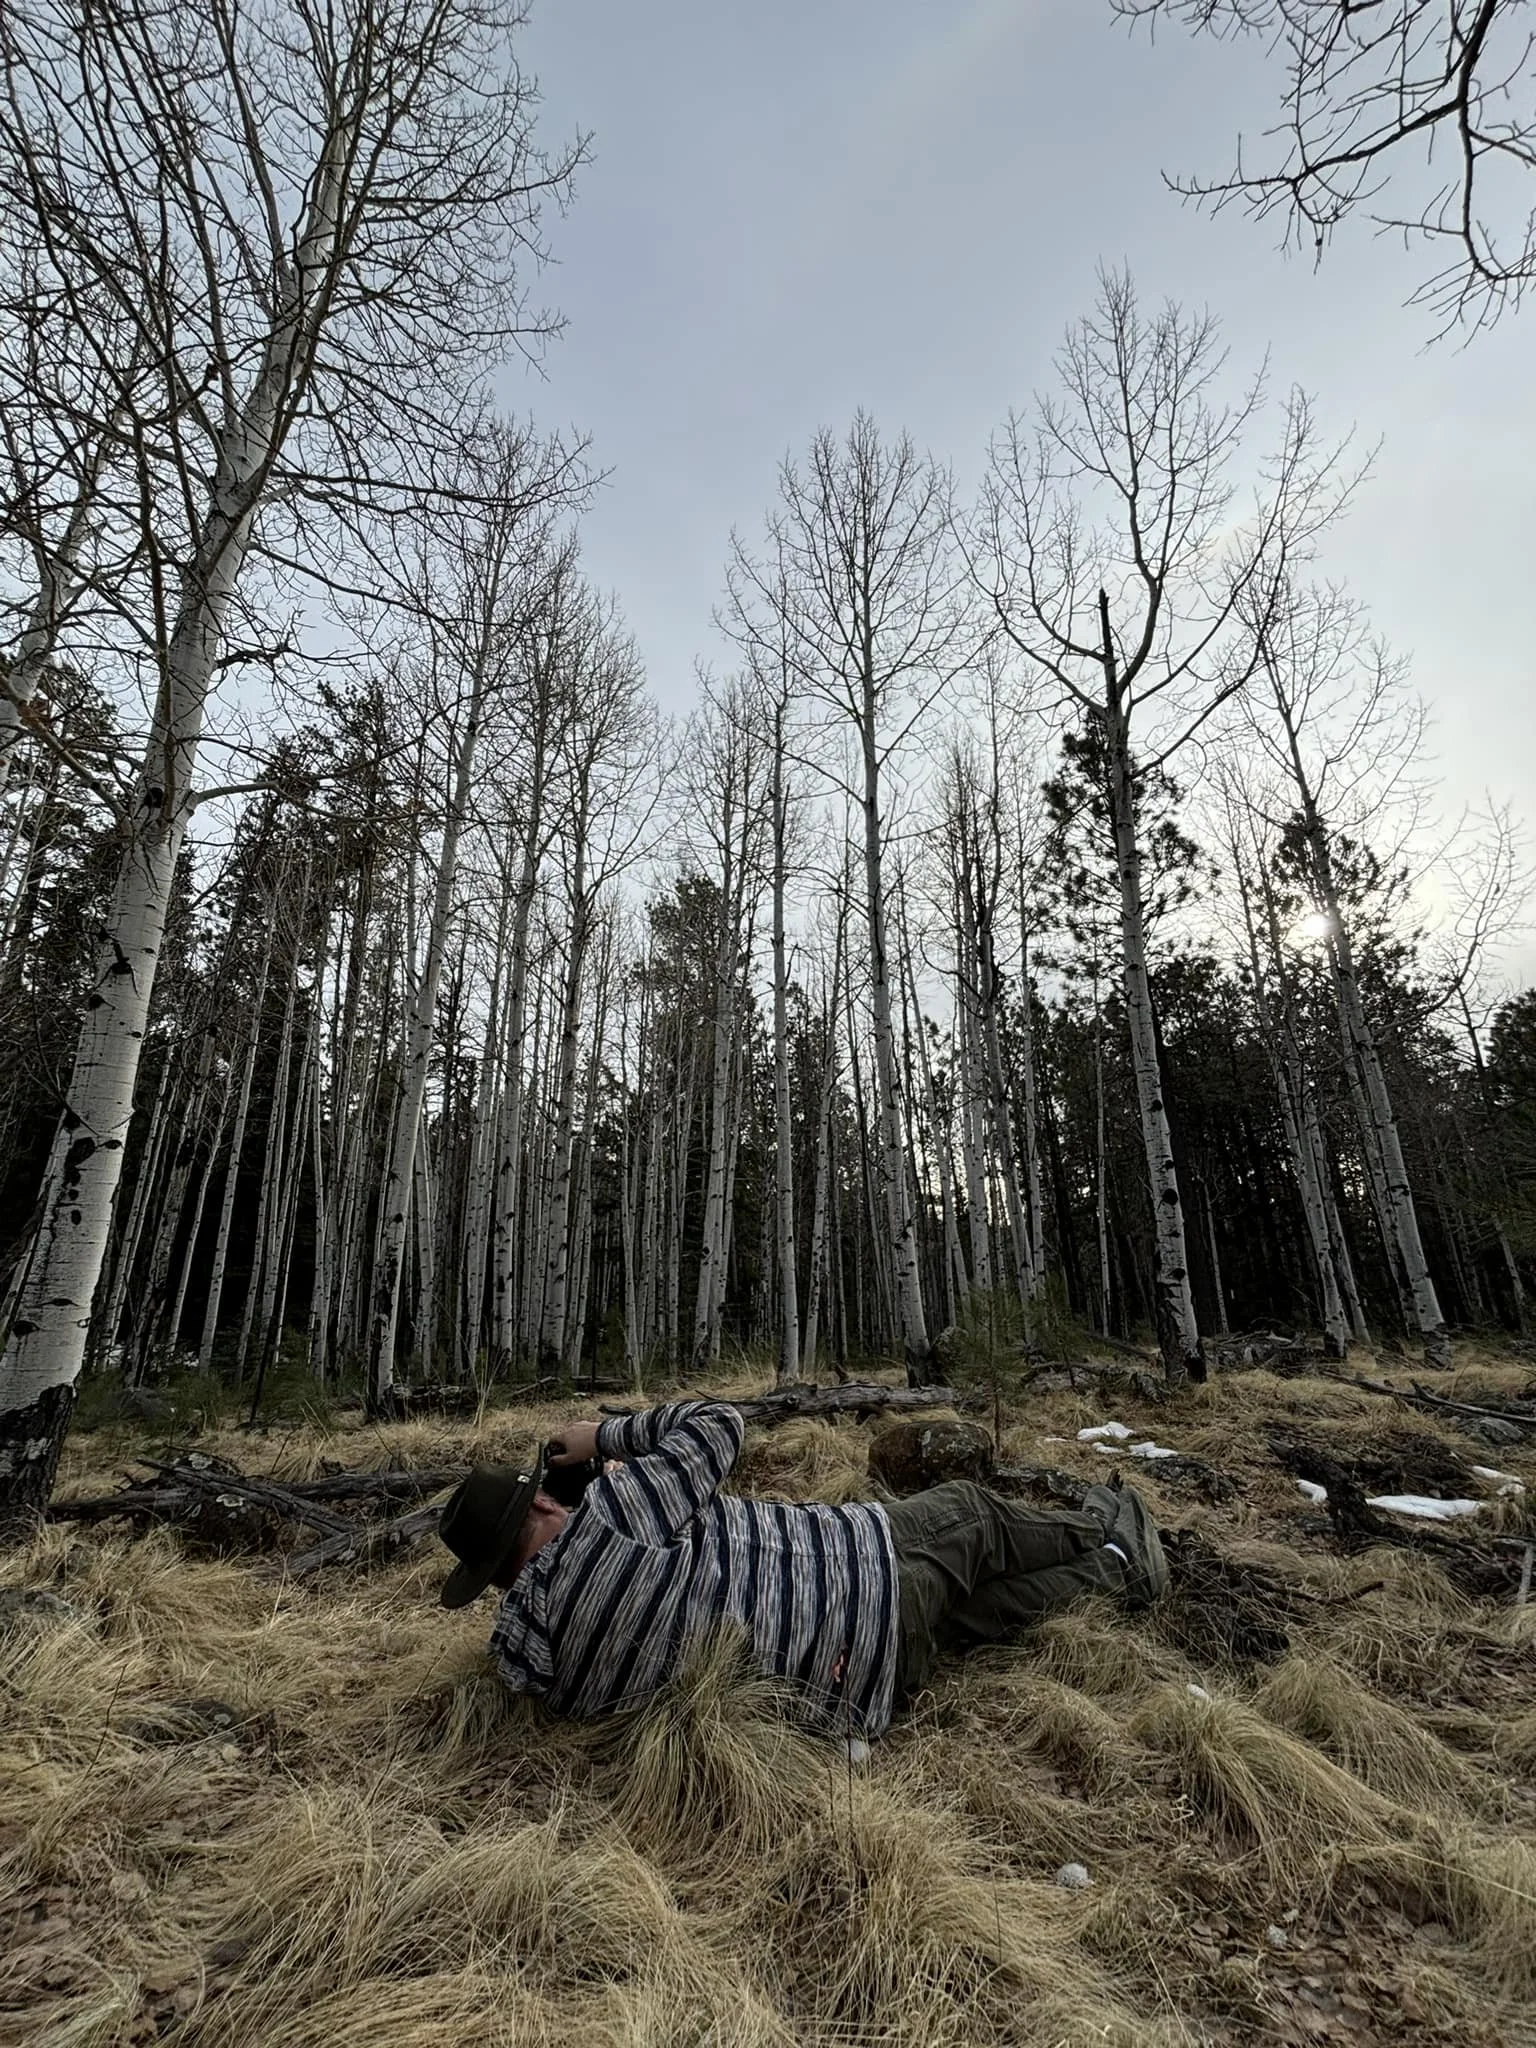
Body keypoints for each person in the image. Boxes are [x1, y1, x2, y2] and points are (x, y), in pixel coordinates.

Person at [437, 1398, 1167, 1739]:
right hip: (864, 1571)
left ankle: (1116, 1572)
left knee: (988, 1610)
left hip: (862, 1682)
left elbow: (657, 1587)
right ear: (538, 1503)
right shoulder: (619, 1514)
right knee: (974, 1515)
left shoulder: (543, 1664)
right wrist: (605, 1434)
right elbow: (720, 1424)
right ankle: (1104, 1524)